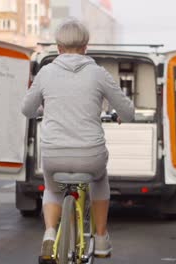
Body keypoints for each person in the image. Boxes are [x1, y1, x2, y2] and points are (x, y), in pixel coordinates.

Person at [21, 18, 135, 257]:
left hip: (54, 155)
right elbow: (128, 112)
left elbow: (27, 109)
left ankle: (50, 233)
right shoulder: (98, 74)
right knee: (99, 179)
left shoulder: (46, 73)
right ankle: (102, 239)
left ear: (58, 47)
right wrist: (121, 116)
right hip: (90, 155)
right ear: (85, 47)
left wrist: (42, 111)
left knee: (52, 189)